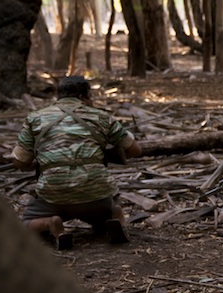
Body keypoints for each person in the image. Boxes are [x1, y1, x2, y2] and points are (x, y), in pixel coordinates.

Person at [11, 75, 141, 250]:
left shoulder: (35, 118)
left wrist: (43, 163)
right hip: (95, 193)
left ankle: (50, 223)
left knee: (25, 223)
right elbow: (135, 150)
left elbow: (19, 161)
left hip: (54, 194)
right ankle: (115, 215)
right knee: (101, 212)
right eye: (91, 97)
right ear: (82, 97)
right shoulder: (101, 117)